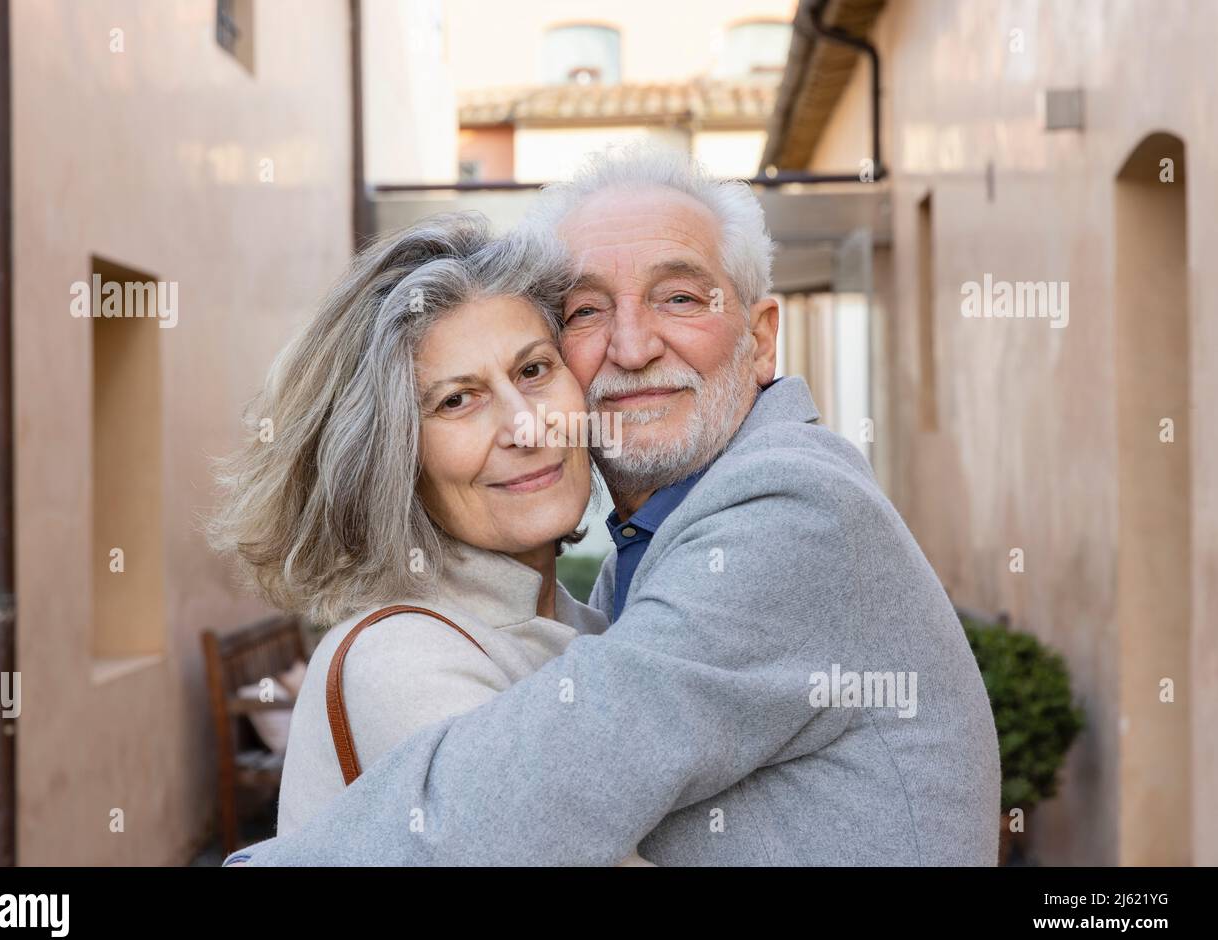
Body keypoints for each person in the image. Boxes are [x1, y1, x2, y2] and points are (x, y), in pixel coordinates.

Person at [223, 147, 1001, 866]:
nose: (633, 347)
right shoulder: (606, 584)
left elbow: (518, 799)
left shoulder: (793, 510)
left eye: (680, 296)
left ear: (762, 341)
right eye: (589, 311)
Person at [209, 213, 652, 865]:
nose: (525, 426)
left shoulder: (587, 623)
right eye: (456, 401)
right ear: (396, 461)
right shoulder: (403, 659)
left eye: (533, 370)